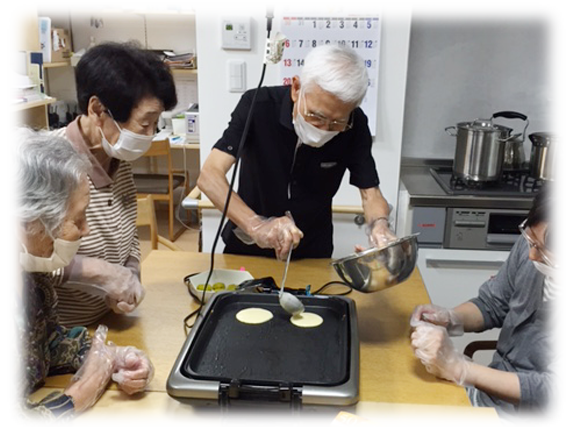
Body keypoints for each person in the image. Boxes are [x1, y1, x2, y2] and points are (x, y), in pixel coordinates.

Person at [8, 128, 154, 426]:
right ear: (24, 225)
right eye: (77, 219)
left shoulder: (31, 276)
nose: (85, 230)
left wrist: (114, 355)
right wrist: (76, 398)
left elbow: (44, 345)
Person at [197, 44, 396, 261]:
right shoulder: (258, 105)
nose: (324, 129)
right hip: (248, 246)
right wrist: (257, 226)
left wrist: (380, 227)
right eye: (316, 116)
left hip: (312, 250)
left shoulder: (355, 125)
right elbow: (210, 175)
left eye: (337, 122)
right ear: (296, 88)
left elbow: (371, 193)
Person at [410, 179, 566, 427]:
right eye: (530, 240)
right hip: (485, 399)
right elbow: (493, 303)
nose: (531, 255)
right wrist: (451, 317)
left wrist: (459, 368)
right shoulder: (534, 246)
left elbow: (556, 391)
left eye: (546, 253)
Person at [51, 42, 178, 326]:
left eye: (155, 123)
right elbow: (22, 262)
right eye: (145, 123)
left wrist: (130, 274)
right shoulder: (49, 165)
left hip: (110, 324)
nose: (150, 134)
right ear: (97, 109)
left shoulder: (115, 156)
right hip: (62, 334)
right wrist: (98, 273)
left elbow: (128, 233)